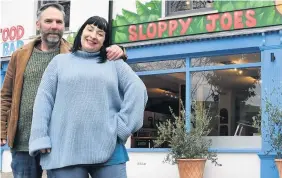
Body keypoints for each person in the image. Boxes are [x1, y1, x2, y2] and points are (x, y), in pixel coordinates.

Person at [0, 3, 127, 178]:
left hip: (61, 141)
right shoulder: (19, 55)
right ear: (38, 24)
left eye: (59, 22)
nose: (54, 26)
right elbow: (6, 95)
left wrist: (121, 50)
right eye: (48, 21)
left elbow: (99, 52)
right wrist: (2, 128)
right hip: (24, 139)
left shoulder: (73, 52)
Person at [28, 15, 147, 178]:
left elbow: (138, 89)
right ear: (81, 32)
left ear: (105, 41)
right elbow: (44, 100)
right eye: (90, 29)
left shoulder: (114, 63)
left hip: (109, 148)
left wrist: (123, 126)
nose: (93, 36)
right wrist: (40, 136)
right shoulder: (59, 62)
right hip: (64, 149)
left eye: (100, 33)